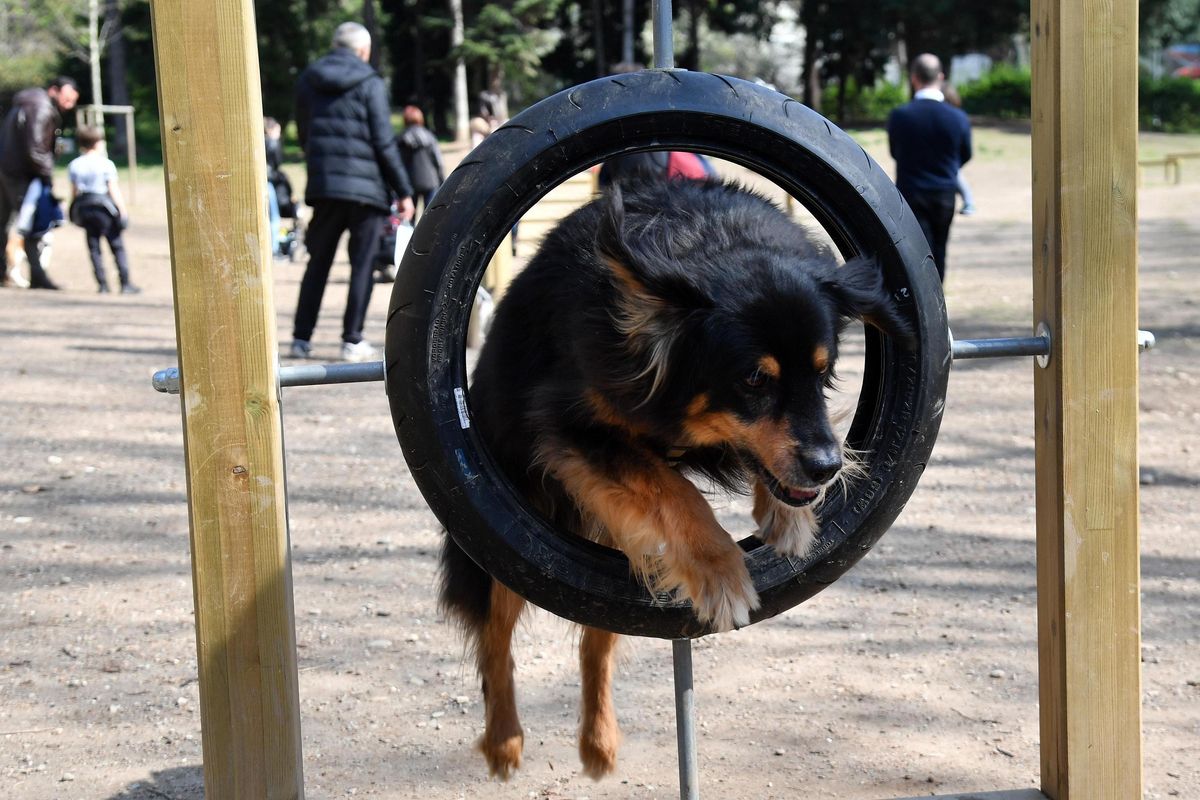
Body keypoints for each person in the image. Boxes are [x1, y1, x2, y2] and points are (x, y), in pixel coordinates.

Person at [290, 22, 415, 362]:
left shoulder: (308, 80)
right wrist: (403, 190)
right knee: (362, 267)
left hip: (326, 187)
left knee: (318, 264)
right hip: (366, 191)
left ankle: (301, 338)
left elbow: (303, 133)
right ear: (364, 51)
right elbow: (383, 142)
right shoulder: (369, 82)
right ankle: (351, 339)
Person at [886, 53, 972, 282]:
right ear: (941, 77)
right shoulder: (958, 118)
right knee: (939, 248)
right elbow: (965, 154)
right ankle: (937, 300)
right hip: (944, 193)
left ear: (914, 79)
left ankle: (919, 302)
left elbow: (895, 152)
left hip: (910, 192)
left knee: (914, 252)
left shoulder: (900, 116)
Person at [0, 76, 80, 289]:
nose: (69, 105)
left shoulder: (24, 104)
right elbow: (35, 148)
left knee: (4, 223)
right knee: (33, 224)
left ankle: (3, 273)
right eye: (67, 99)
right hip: (22, 174)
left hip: (6, 169)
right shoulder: (41, 108)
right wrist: (47, 176)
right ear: (54, 90)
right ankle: (37, 276)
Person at [67, 126, 138, 294]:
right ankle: (125, 283)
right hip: (104, 208)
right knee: (116, 245)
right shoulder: (106, 164)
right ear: (98, 143)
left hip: (85, 207)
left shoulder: (74, 165)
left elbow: (75, 191)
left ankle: (102, 285)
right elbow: (112, 189)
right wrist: (122, 210)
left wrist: (73, 209)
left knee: (93, 247)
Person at [397, 105, 445, 218]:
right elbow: (438, 162)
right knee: (430, 218)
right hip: (430, 182)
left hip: (409, 183)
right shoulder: (429, 136)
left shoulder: (400, 139)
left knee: (408, 219)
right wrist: (442, 181)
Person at [941, 84, 977, 216]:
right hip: (948, 159)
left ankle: (969, 201)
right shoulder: (958, 118)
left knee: (957, 176)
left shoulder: (956, 118)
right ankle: (968, 201)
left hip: (949, 160)